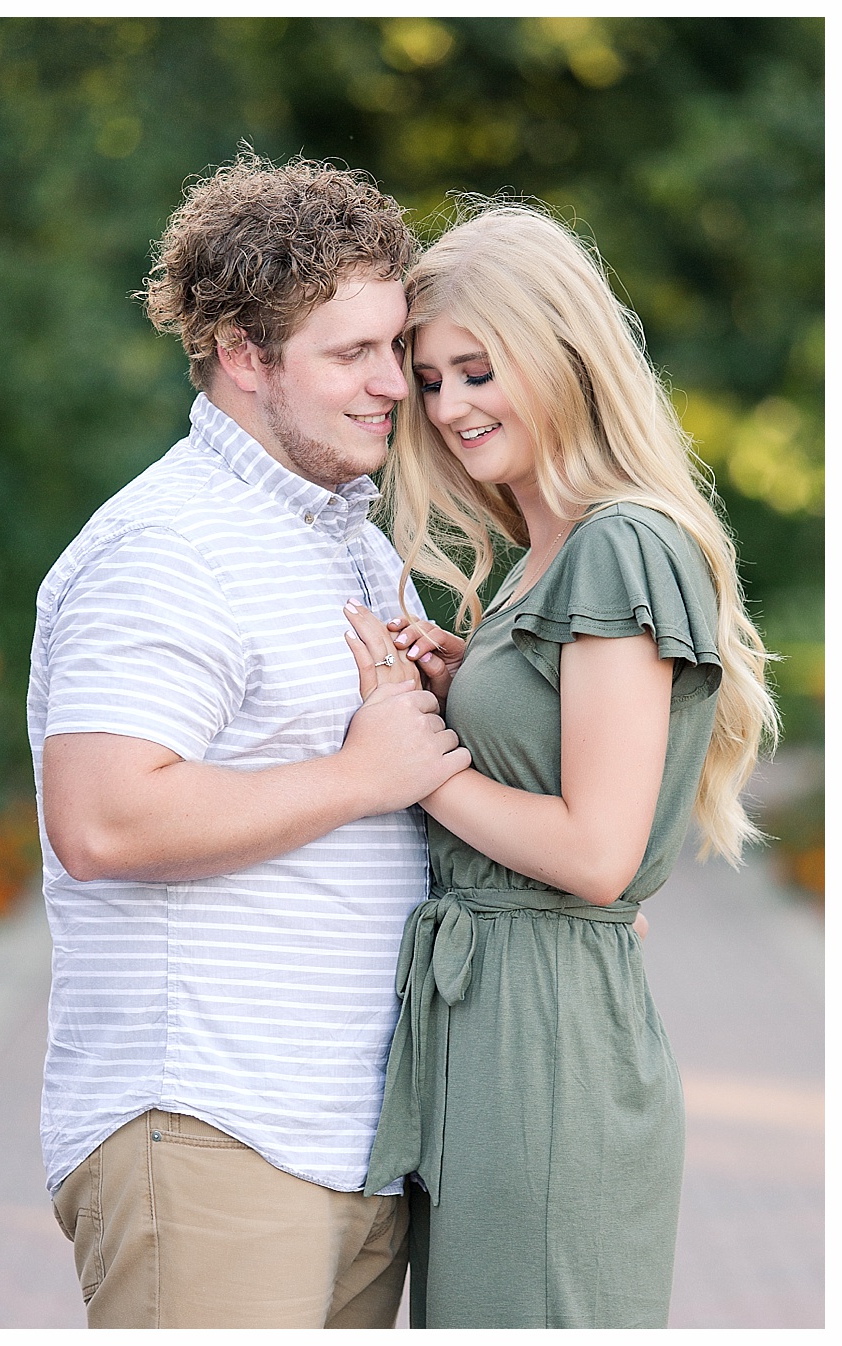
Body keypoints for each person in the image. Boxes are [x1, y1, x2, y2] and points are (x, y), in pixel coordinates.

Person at [29, 147, 472, 1329]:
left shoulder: (349, 536)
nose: (396, 383)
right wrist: (357, 772)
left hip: (348, 1136)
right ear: (241, 356)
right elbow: (104, 816)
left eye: (396, 345)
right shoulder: (167, 544)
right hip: (212, 1128)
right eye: (352, 354)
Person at [347, 203, 778, 1328]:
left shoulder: (616, 543)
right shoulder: (547, 557)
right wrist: (458, 688)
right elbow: (556, 760)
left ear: (563, 354)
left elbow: (596, 851)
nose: (451, 408)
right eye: (430, 381)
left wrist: (416, 758)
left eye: (479, 369)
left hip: (549, 1049)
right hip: (492, 1035)